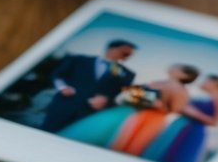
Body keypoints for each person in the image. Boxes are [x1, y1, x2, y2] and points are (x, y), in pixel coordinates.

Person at [59, 64, 200, 155]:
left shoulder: (182, 91)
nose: (173, 66)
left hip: (148, 119)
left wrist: (157, 104)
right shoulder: (161, 81)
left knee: (118, 142)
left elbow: (175, 110)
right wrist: (133, 93)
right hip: (128, 111)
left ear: (184, 75)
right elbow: (136, 93)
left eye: (178, 67)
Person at [41, 40, 137, 132]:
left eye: (129, 54)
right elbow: (58, 75)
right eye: (124, 52)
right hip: (64, 106)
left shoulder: (128, 74)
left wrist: (107, 100)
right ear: (111, 49)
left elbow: (121, 95)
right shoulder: (78, 60)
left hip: (90, 115)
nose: (127, 56)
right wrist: (63, 87)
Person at [142, 74, 218, 162]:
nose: (204, 82)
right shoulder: (203, 97)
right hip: (178, 126)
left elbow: (215, 122)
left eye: (207, 81)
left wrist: (191, 112)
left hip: (193, 131)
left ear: (216, 84)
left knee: (179, 156)